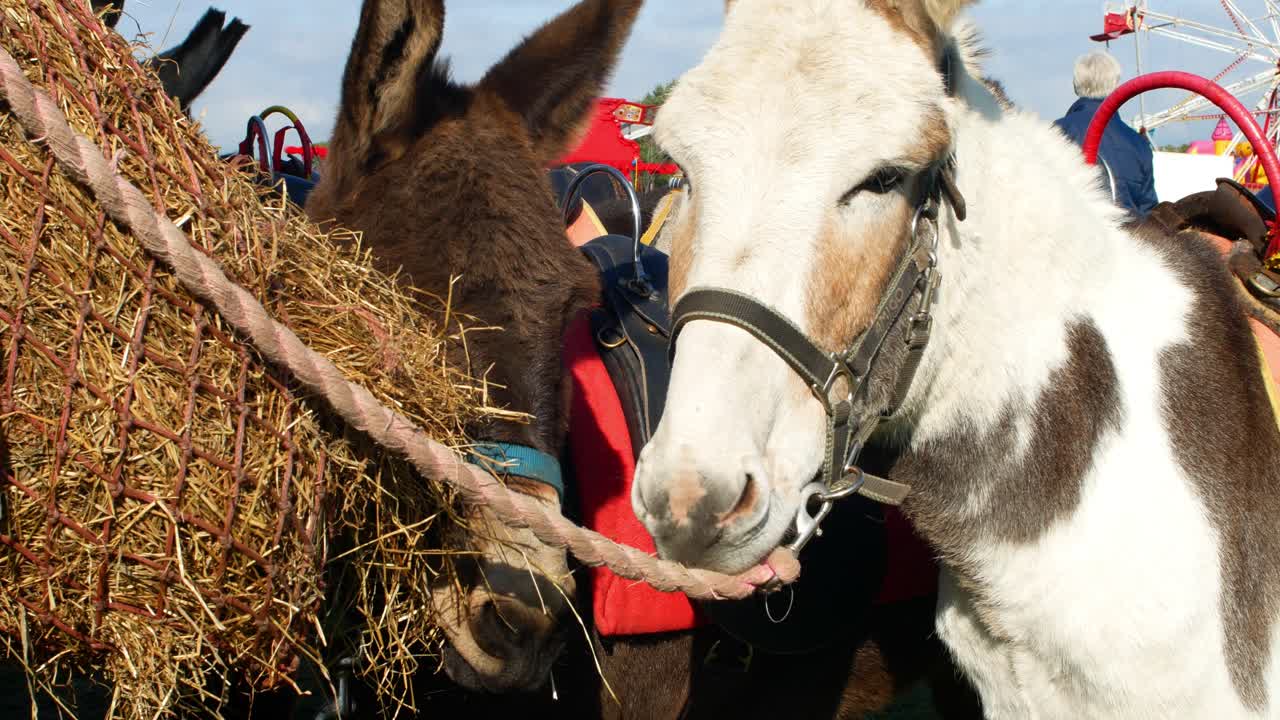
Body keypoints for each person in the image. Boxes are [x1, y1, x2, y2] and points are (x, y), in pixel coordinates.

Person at [1054, 51, 1159, 218]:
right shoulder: (1138, 143)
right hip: (1130, 236)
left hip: (1079, 233)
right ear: (1116, 85)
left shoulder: (1058, 132)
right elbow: (1148, 208)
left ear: (1075, 84)